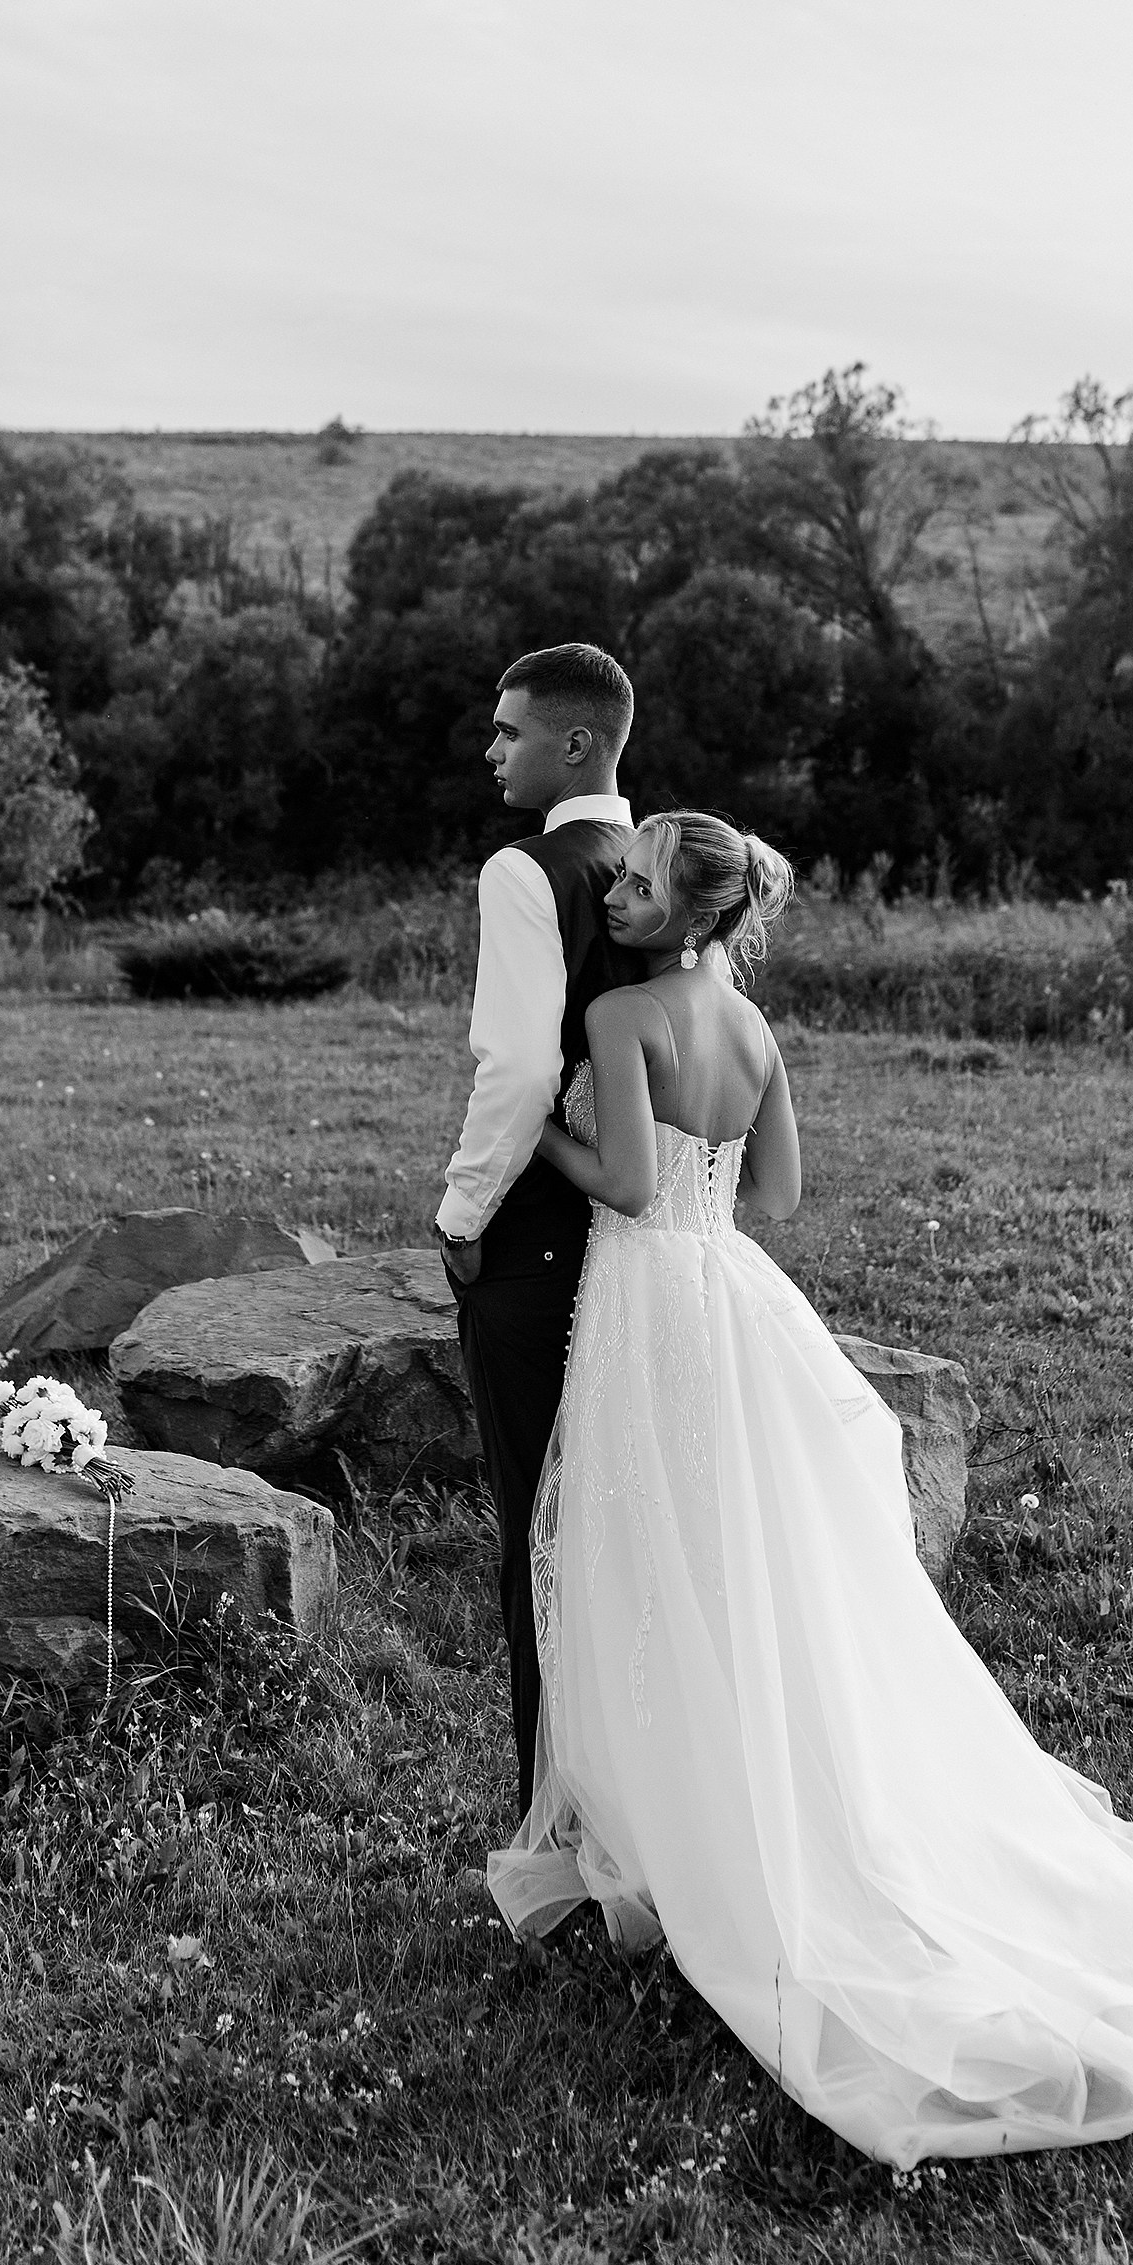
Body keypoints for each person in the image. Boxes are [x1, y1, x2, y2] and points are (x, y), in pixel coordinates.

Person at [489, 810, 1133, 2165]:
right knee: (746, 1567)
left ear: (692, 914)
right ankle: (732, 1800)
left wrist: (532, 1141)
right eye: (617, 882)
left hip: (651, 1307)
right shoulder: (754, 1030)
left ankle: (686, 1831)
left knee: (657, 1556)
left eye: (639, 886)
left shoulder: (624, 1026)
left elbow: (622, 1178)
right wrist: (679, 1181)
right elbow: (776, 1194)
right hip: (733, 1293)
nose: (614, 899)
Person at [434, 642, 641, 1816]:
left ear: (573, 742)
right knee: (622, 1524)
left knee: (540, 1536)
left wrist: (460, 1215)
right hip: (638, 1241)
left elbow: (514, 1066)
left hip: (537, 1238)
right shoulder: (647, 860)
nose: (490, 748)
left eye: (506, 730)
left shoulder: (527, 870)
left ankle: (555, 1822)